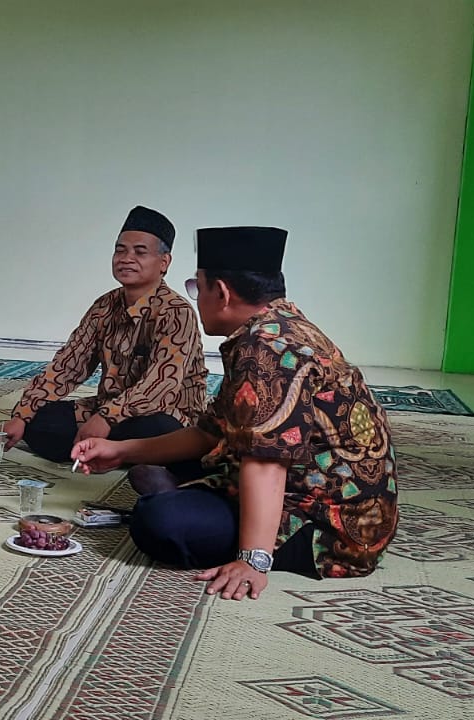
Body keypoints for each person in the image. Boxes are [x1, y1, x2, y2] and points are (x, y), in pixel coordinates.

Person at [72, 226, 398, 601]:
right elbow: (211, 432)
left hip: (329, 526)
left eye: (198, 287)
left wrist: (252, 560)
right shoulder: (282, 323)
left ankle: (186, 500)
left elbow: (267, 461)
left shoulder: (265, 348)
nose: (196, 298)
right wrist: (121, 451)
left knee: (159, 523)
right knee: (158, 439)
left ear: (223, 293)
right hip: (319, 494)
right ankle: (186, 491)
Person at [2, 206, 208, 463]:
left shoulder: (177, 312)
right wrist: (22, 414)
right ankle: (112, 450)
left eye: (140, 252)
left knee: (157, 430)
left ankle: (109, 448)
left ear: (164, 262)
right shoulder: (104, 305)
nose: (126, 258)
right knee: (41, 421)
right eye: (120, 250)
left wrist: (106, 418)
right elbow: (68, 365)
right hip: (109, 408)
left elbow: (161, 386)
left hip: (165, 415)